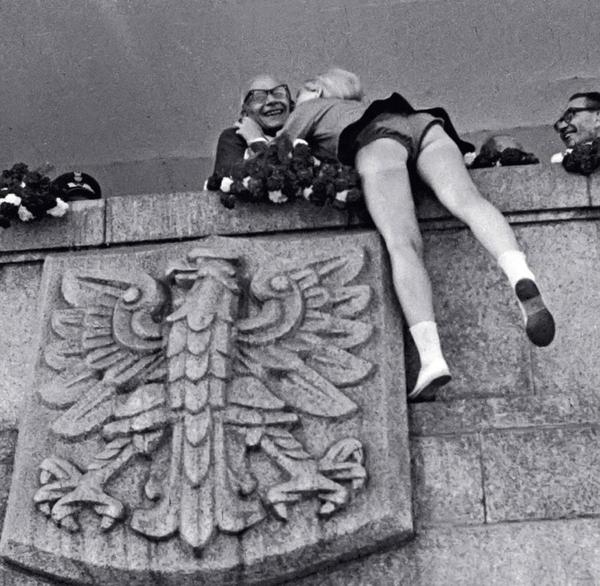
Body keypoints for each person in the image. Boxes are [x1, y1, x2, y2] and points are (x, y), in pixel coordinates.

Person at [280, 68, 555, 401]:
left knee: (403, 244)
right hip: (425, 126)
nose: (294, 103)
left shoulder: (311, 108)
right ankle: (519, 274)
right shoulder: (356, 106)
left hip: (377, 139)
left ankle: (431, 359)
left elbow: (276, 153)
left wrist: (253, 132)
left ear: (315, 89)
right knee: (469, 202)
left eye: (298, 95)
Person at [209, 74, 293, 180]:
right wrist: (256, 141)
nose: (271, 101)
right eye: (259, 97)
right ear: (245, 112)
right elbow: (230, 184)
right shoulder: (234, 138)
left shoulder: (306, 135)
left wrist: (257, 141)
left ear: (291, 104)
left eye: (278, 93)